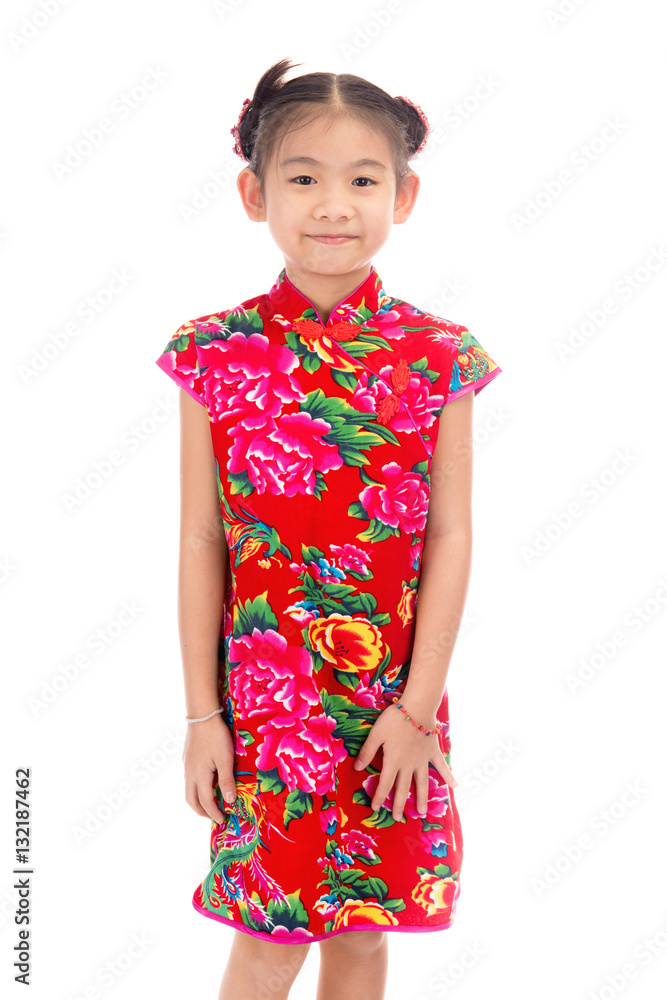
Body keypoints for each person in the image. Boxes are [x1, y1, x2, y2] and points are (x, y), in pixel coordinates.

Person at [155, 57, 502, 1000]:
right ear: (254, 193)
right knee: (268, 941)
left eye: (363, 180)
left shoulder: (439, 355)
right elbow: (201, 539)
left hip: (392, 708)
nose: (333, 205)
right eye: (303, 177)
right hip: (262, 711)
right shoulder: (212, 352)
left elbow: (449, 537)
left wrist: (416, 712)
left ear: (404, 195)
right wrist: (202, 718)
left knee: (361, 935)